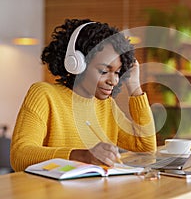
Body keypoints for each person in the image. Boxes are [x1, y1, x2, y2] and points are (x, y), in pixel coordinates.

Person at [10, 19, 157, 172]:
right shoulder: (44, 95)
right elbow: (20, 156)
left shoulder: (107, 106)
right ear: (77, 63)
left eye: (118, 72)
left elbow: (146, 148)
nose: (113, 80)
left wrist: (134, 86)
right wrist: (81, 156)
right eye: (104, 71)